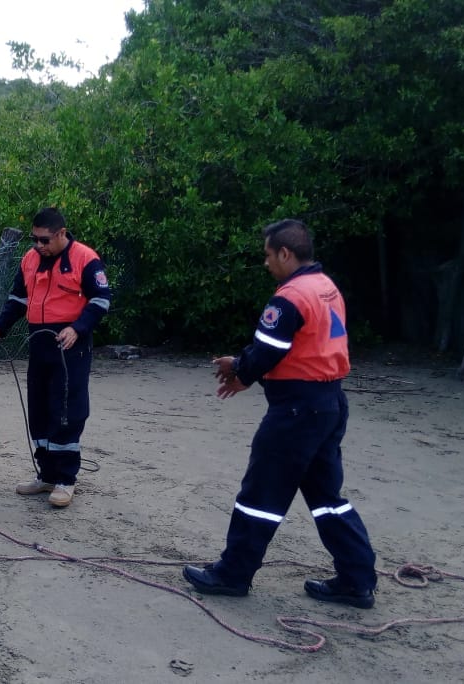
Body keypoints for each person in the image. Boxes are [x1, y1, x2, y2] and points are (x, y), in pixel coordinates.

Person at [182, 219, 378, 608]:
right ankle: (357, 578)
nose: (266, 263)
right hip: (329, 402)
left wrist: (239, 368)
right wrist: (247, 370)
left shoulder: (289, 297)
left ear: (285, 253)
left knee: (260, 493)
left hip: (296, 411)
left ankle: (233, 574)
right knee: (327, 497)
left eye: (269, 255)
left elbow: (269, 350)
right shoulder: (326, 288)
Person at [0, 207, 112, 508]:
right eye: (34, 239)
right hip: (39, 343)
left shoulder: (85, 258)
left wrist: (77, 328)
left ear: (61, 234)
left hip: (71, 347)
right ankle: (47, 476)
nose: (38, 246)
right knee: (39, 410)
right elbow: (18, 298)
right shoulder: (30, 259)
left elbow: (101, 300)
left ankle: (66, 480)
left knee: (66, 410)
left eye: (44, 240)